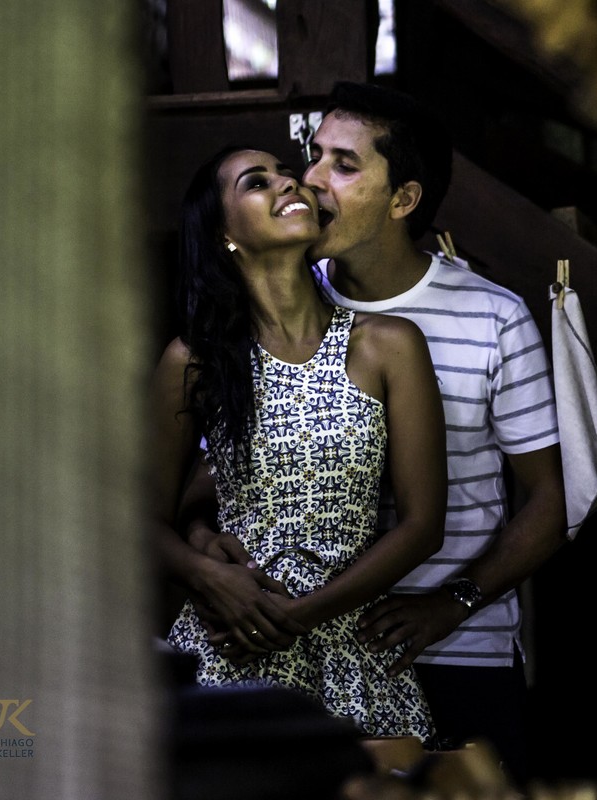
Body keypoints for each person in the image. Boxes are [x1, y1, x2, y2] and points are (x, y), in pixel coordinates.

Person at [184, 82, 567, 781]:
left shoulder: (492, 317)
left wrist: (451, 604)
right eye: (314, 155)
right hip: (298, 638)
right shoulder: (285, 303)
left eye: (345, 165)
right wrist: (207, 548)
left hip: (455, 645)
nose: (312, 180)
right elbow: (221, 478)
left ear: (404, 201)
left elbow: (550, 504)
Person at [150, 145, 447, 740]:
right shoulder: (196, 361)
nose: (292, 184)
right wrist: (210, 577)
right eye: (259, 182)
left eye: (289, 174)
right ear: (224, 235)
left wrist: (299, 614)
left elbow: (423, 525)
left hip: (353, 652)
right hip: (228, 647)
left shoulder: (388, 344)